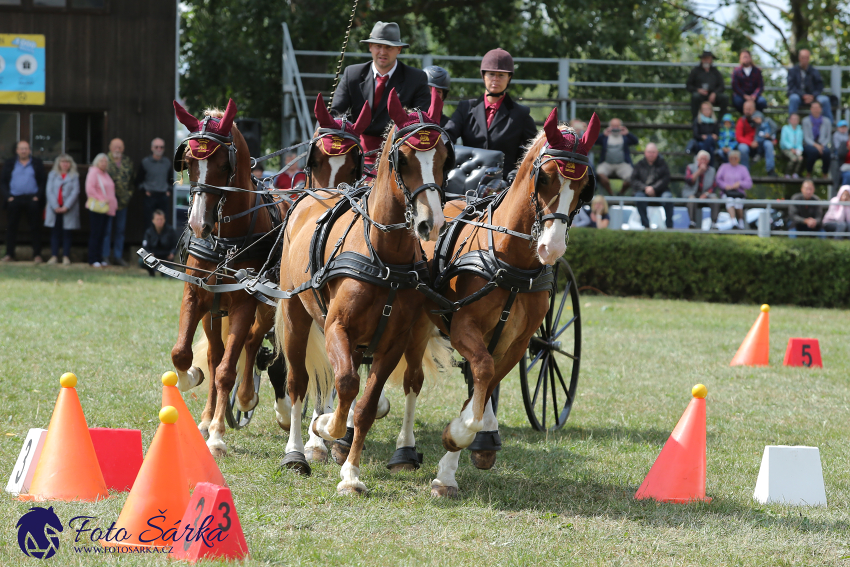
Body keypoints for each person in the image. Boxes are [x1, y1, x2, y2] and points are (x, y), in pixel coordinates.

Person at [331, 21, 430, 166]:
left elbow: (421, 120)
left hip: (398, 156)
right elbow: (334, 113)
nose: (383, 52)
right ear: (370, 47)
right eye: (378, 46)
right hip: (354, 151)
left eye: (389, 47)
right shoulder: (352, 74)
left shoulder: (416, 78)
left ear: (399, 49)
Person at [445, 48, 537, 180]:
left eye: (501, 75)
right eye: (491, 74)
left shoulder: (520, 114)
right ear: (483, 76)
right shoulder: (465, 108)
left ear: (509, 78)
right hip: (467, 181)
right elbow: (447, 136)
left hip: (504, 184)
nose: (496, 79)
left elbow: (534, 150)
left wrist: (518, 171)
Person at [1, 140, 47, 263]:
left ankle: (37, 255)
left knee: (35, 228)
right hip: (14, 199)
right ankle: (9, 254)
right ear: (17, 150)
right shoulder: (10, 163)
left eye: (26, 148)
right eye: (21, 148)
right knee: (11, 227)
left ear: (29, 150)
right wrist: (8, 197)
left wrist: (38, 196)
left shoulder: (36, 163)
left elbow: (43, 181)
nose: (23, 151)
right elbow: (3, 182)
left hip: (32, 199)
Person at [44, 154, 80, 265]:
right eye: (63, 162)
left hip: (68, 209)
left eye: (67, 162)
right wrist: (55, 206)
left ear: (70, 164)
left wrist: (66, 206)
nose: (65, 164)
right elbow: (49, 191)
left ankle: (66, 257)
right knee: (55, 232)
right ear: (58, 163)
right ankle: (54, 256)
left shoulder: (74, 176)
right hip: (54, 209)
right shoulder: (52, 175)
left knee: (67, 233)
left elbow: (75, 192)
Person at [103, 138, 134, 266]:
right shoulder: (104, 160)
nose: (117, 149)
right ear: (110, 147)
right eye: (115, 147)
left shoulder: (127, 161)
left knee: (120, 230)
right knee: (107, 230)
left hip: (122, 203)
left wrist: (128, 195)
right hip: (107, 203)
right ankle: (104, 256)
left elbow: (132, 180)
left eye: (120, 147)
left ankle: (118, 256)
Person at [86, 153, 117, 268]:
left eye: (105, 161)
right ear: (96, 162)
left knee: (103, 234)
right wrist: (102, 200)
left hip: (107, 209)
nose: (104, 163)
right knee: (96, 234)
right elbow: (90, 189)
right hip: (98, 208)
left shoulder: (105, 174)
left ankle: (99, 258)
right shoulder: (93, 172)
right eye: (101, 161)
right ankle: (92, 258)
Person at [631, 143, 672, 229]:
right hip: (643, 191)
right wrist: (645, 188)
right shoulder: (639, 165)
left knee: (668, 198)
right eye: (649, 152)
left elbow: (665, 179)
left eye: (653, 152)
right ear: (645, 153)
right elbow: (634, 180)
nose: (651, 154)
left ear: (657, 153)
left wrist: (654, 189)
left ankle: (669, 226)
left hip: (661, 191)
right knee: (638, 198)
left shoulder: (663, 164)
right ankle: (646, 225)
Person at [594, 118, 638, 195]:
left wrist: (628, 133)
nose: (615, 128)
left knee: (632, 176)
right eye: (613, 126)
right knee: (599, 173)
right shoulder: (605, 136)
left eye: (617, 126)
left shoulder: (625, 136)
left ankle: (621, 192)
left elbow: (636, 141)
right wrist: (603, 134)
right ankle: (611, 193)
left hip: (622, 164)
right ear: (609, 126)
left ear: (620, 126)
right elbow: (594, 141)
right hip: (606, 164)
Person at [137, 137, 173, 230]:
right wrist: (144, 190)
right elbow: (138, 180)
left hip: (163, 196)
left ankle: (162, 244)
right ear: (152, 148)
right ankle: (149, 244)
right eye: (156, 147)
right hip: (150, 196)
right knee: (149, 221)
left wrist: (169, 190)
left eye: (161, 147)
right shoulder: (145, 162)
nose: (159, 149)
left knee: (163, 222)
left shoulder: (167, 162)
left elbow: (171, 179)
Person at [787, 49, 833, 121]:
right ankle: (791, 124)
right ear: (799, 58)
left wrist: (812, 96)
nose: (805, 60)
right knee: (793, 98)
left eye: (806, 57)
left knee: (825, 100)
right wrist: (803, 95)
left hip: (813, 97)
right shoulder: (793, 71)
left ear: (809, 58)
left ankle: (830, 124)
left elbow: (820, 87)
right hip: (798, 97)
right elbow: (791, 88)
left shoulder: (814, 71)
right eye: (803, 57)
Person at [685, 48, 728, 119]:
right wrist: (698, 90)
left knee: (725, 98)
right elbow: (688, 85)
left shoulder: (715, 72)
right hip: (700, 96)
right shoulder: (695, 71)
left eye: (708, 59)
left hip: (713, 96)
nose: (706, 61)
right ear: (701, 60)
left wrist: (714, 93)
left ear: (711, 60)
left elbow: (722, 86)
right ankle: (696, 121)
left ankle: (721, 121)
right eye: (704, 58)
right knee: (695, 97)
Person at [736, 100, 775, 175]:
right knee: (742, 147)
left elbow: (769, 129)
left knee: (769, 144)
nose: (747, 111)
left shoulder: (761, 119)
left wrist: (773, 139)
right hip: (748, 145)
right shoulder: (741, 121)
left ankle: (770, 170)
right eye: (745, 109)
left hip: (761, 144)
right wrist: (750, 143)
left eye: (749, 109)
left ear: (754, 109)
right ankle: (745, 172)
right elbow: (739, 137)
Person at [716, 150, 753, 229]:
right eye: (731, 158)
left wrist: (740, 183)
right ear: (729, 158)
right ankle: (733, 221)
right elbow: (718, 180)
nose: (733, 159)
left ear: (738, 159)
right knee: (730, 200)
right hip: (726, 193)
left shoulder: (743, 169)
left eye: (735, 158)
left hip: (739, 193)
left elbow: (749, 183)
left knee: (738, 201)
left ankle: (740, 221)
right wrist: (725, 186)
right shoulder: (724, 167)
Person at [683, 150, 720, 229]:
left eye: (705, 159)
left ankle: (714, 223)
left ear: (708, 161)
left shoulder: (712, 170)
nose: (703, 161)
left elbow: (714, 186)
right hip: (692, 193)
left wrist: (706, 194)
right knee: (692, 200)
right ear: (697, 160)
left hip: (706, 194)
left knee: (715, 200)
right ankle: (692, 222)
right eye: (701, 159)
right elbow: (689, 181)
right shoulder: (690, 167)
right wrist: (699, 171)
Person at [140, 209, 178, 276]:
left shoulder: (170, 231)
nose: (159, 221)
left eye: (161, 219)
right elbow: (145, 247)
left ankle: (164, 273)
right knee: (141, 261)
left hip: (166, 259)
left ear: (164, 220)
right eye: (157, 219)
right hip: (153, 259)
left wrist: (172, 253)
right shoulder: (149, 232)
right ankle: (151, 272)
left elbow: (176, 245)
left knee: (169, 276)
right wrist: (149, 254)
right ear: (153, 221)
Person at [802, 101, 832, 177]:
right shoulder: (805, 121)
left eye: (817, 108)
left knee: (827, 152)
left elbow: (828, 137)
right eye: (814, 108)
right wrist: (816, 145)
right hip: (809, 144)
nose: (815, 110)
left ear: (821, 109)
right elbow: (806, 138)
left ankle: (825, 173)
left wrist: (822, 145)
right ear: (810, 109)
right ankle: (808, 172)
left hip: (822, 144)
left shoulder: (827, 121)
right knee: (813, 152)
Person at [780, 113, 804, 178]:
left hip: (796, 150)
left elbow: (800, 143)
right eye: (793, 119)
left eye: (796, 119)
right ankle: (787, 174)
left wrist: (799, 150)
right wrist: (791, 148)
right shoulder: (785, 128)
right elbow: (784, 141)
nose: (794, 120)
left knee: (800, 158)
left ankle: (795, 174)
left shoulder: (800, 130)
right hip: (786, 149)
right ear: (790, 120)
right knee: (793, 158)